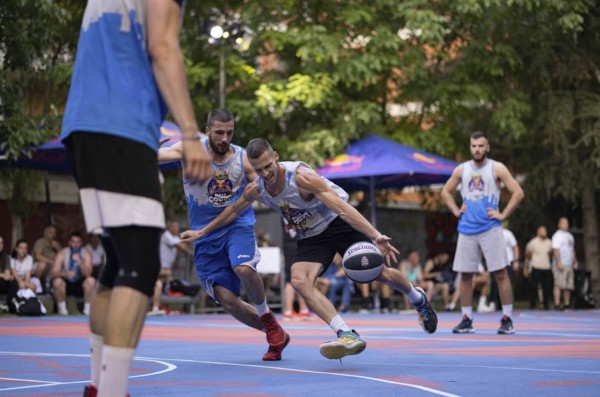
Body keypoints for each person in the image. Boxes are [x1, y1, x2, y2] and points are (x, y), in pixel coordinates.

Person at [60, 1, 212, 396]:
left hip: (83, 126)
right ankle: (112, 391)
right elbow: (162, 47)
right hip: (119, 126)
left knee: (118, 262)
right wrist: (191, 135)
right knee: (142, 264)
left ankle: (98, 385)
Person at [181, 138, 438, 360]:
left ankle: (417, 298)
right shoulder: (258, 187)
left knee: (377, 273)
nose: (266, 173)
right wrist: (203, 231)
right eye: (259, 169)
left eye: (269, 166)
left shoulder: (301, 178)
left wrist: (375, 235)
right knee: (299, 281)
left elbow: (342, 208)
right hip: (312, 236)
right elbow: (233, 210)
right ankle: (346, 334)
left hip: (338, 224)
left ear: (276, 158)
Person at [158, 109, 289, 361]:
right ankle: (275, 330)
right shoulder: (190, 151)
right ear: (207, 131)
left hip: (236, 225)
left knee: (243, 268)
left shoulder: (242, 158)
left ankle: (270, 325)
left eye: (229, 132)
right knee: (229, 300)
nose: (224, 138)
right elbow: (154, 156)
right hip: (203, 235)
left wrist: (286, 204)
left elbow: (265, 185)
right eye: (219, 132)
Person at [441, 131, 524, 334]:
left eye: (480, 146)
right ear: (470, 147)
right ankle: (467, 319)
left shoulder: (497, 168)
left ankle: (507, 318)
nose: (477, 149)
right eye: (473, 146)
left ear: (487, 147)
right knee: (466, 275)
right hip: (467, 229)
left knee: (500, 273)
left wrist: (503, 214)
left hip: (490, 228)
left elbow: (518, 192)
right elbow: (445, 192)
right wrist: (455, 210)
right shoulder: (462, 170)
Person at [149, 221, 193, 315]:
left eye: (177, 227)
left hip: (167, 267)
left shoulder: (175, 237)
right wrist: (192, 253)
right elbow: (180, 246)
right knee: (159, 285)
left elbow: (181, 246)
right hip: (160, 267)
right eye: (174, 226)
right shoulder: (166, 235)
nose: (176, 229)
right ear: (170, 227)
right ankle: (155, 308)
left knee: (170, 287)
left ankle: (168, 309)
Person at [51, 232, 96, 316]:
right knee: (57, 281)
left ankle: (87, 310)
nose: (75, 244)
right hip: (66, 284)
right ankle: (62, 310)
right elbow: (53, 272)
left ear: (81, 243)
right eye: (73, 242)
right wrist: (65, 274)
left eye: (78, 242)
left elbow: (88, 273)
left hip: (80, 284)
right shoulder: (62, 253)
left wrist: (80, 262)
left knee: (91, 281)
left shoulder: (86, 253)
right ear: (69, 243)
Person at [551, 217, 578, 310]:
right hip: (560, 263)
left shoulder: (570, 236)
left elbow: (572, 250)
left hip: (569, 264)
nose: (566, 224)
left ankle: (566, 304)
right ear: (559, 224)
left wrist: (575, 262)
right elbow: (555, 250)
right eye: (563, 223)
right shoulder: (557, 235)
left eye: (567, 223)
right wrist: (559, 262)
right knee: (559, 284)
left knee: (568, 285)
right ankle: (557, 304)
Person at [524, 226, 553, 310]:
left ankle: (545, 304)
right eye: (542, 231)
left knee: (546, 286)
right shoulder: (533, 242)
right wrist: (526, 268)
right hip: (536, 266)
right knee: (534, 286)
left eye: (545, 231)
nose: (544, 232)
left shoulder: (549, 242)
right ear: (538, 232)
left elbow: (551, 253)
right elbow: (528, 255)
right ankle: (532, 304)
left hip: (546, 267)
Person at [32, 225, 62, 292]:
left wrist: (58, 249)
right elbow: (38, 256)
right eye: (50, 232)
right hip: (38, 266)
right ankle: (39, 285)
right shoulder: (41, 241)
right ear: (45, 233)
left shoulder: (57, 244)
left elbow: (63, 258)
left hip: (52, 267)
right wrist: (52, 262)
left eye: (54, 233)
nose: (53, 235)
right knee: (42, 264)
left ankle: (52, 287)